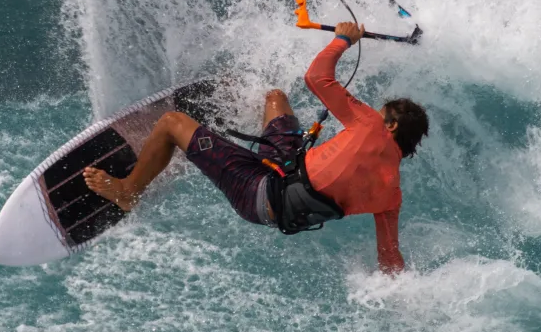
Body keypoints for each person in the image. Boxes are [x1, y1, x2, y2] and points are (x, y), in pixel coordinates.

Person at [84, 22, 429, 275]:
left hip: (257, 191)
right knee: (275, 99)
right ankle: (204, 146)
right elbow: (389, 257)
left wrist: (342, 39)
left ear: (391, 126)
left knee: (171, 122)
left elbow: (317, 76)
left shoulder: (372, 125)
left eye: (381, 113)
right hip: (283, 175)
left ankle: (128, 190)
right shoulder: (391, 196)